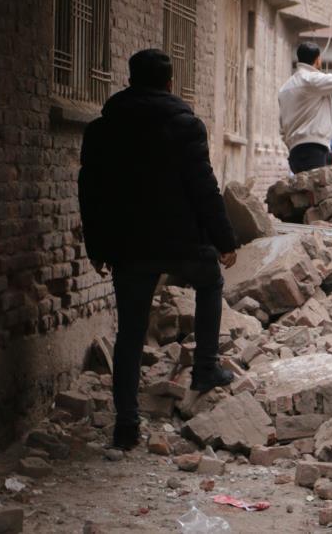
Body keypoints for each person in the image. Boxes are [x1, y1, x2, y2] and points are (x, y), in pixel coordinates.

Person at [78, 49, 238, 451]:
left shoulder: (103, 129)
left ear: (130, 80)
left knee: (130, 332)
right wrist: (224, 241)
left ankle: (126, 426)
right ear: (170, 82)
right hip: (184, 241)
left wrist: (97, 246)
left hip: (130, 247)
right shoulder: (186, 125)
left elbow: (91, 193)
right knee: (210, 282)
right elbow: (204, 187)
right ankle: (204, 369)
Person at [279, 42, 332, 174]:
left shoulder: (285, 88)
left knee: (302, 193)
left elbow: (282, 126)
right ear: (318, 60)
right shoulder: (312, 80)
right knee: (316, 192)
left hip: (294, 152)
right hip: (313, 151)